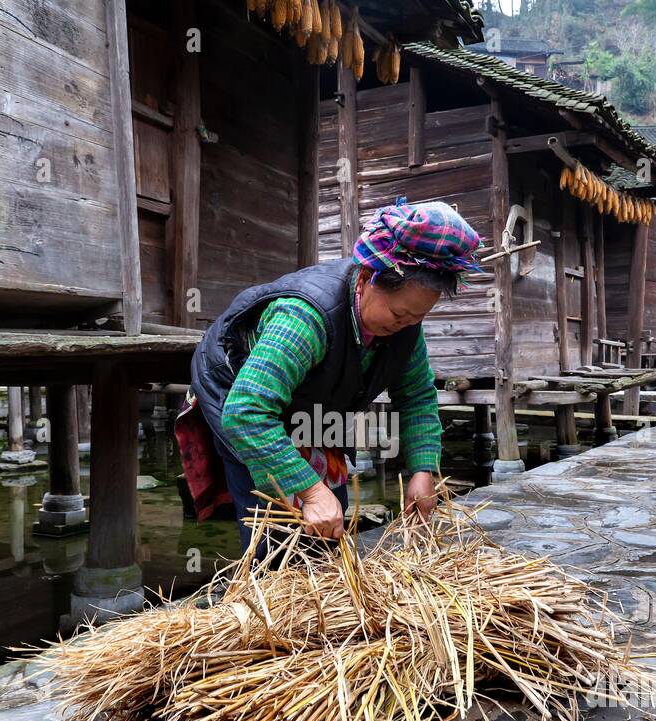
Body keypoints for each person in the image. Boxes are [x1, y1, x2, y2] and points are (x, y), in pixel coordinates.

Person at [177, 198, 482, 553]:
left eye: (417, 317)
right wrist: (309, 490)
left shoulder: (406, 328)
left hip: (316, 404)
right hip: (240, 398)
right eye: (399, 314)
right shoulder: (305, 317)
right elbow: (247, 412)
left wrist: (422, 470)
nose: (406, 325)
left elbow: (416, 396)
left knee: (329, 526)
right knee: (276, 533)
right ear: (367, 278)